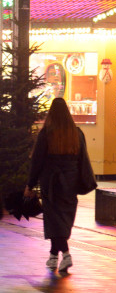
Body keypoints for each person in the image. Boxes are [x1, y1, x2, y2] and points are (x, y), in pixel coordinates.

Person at [26, 97, 90, 273]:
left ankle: (66, 254)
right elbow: (83, 159)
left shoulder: (47, 133)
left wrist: (30, 184)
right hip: (70, 182)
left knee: (55, 220)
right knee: (63, 219)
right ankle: (53, 256)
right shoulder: (76, 133)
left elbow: (37, 161)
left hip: (51, 183)